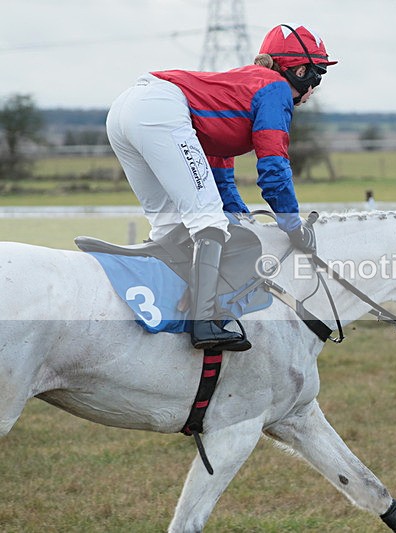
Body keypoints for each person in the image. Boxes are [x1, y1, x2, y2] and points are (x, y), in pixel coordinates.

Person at [106, 24, 336, 351]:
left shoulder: (241, 86)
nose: (314, 88)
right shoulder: (275, 89)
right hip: (158, 108)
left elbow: (219, 176)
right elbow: (274, 167)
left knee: (170, 223)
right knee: (208, 222)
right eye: (316, 76)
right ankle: (204, 325)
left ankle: (163, 305)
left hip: (124, 110)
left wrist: (245, 219)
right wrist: (293, 225)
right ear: (299, 70)